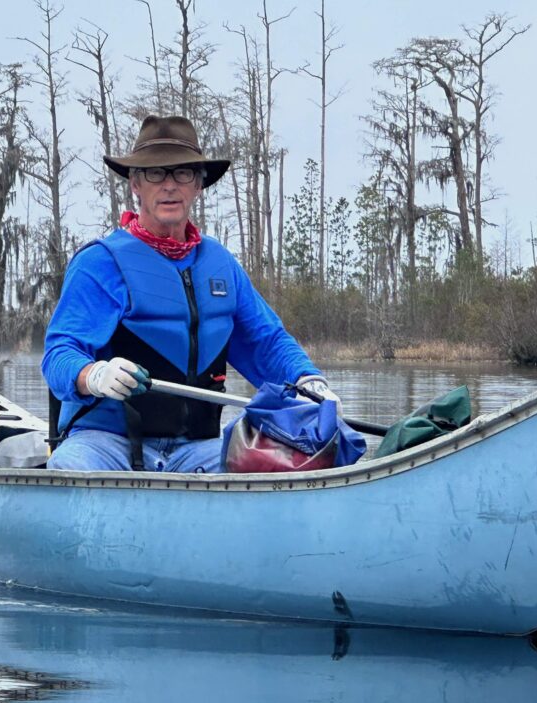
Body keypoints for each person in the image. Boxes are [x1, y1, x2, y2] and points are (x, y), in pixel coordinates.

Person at [42, 114, 339, 472]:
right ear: (136, 184)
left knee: (284, 466)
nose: (169, 185)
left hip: (197, 450)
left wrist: (309, 381)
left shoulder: (221, 265)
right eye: (155, 173)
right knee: (70, 467)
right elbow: (58, 356)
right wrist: (94, 375)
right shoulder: (99, 263)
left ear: (198, 184)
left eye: (182, 173)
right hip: (106, 445)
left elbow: (266, 342)